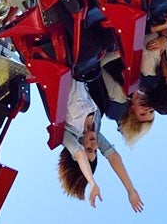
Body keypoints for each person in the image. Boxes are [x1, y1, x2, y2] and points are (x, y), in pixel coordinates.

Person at [56, 79, 146, 210]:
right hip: (87, 70)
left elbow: (79, 154)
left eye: (89, 149)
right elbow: (113, 156)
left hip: (68, 67)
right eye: (95, 151)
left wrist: (92, 183)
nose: (94, 146)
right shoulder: (94, 130)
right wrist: (130, 189)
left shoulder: (68, 133)